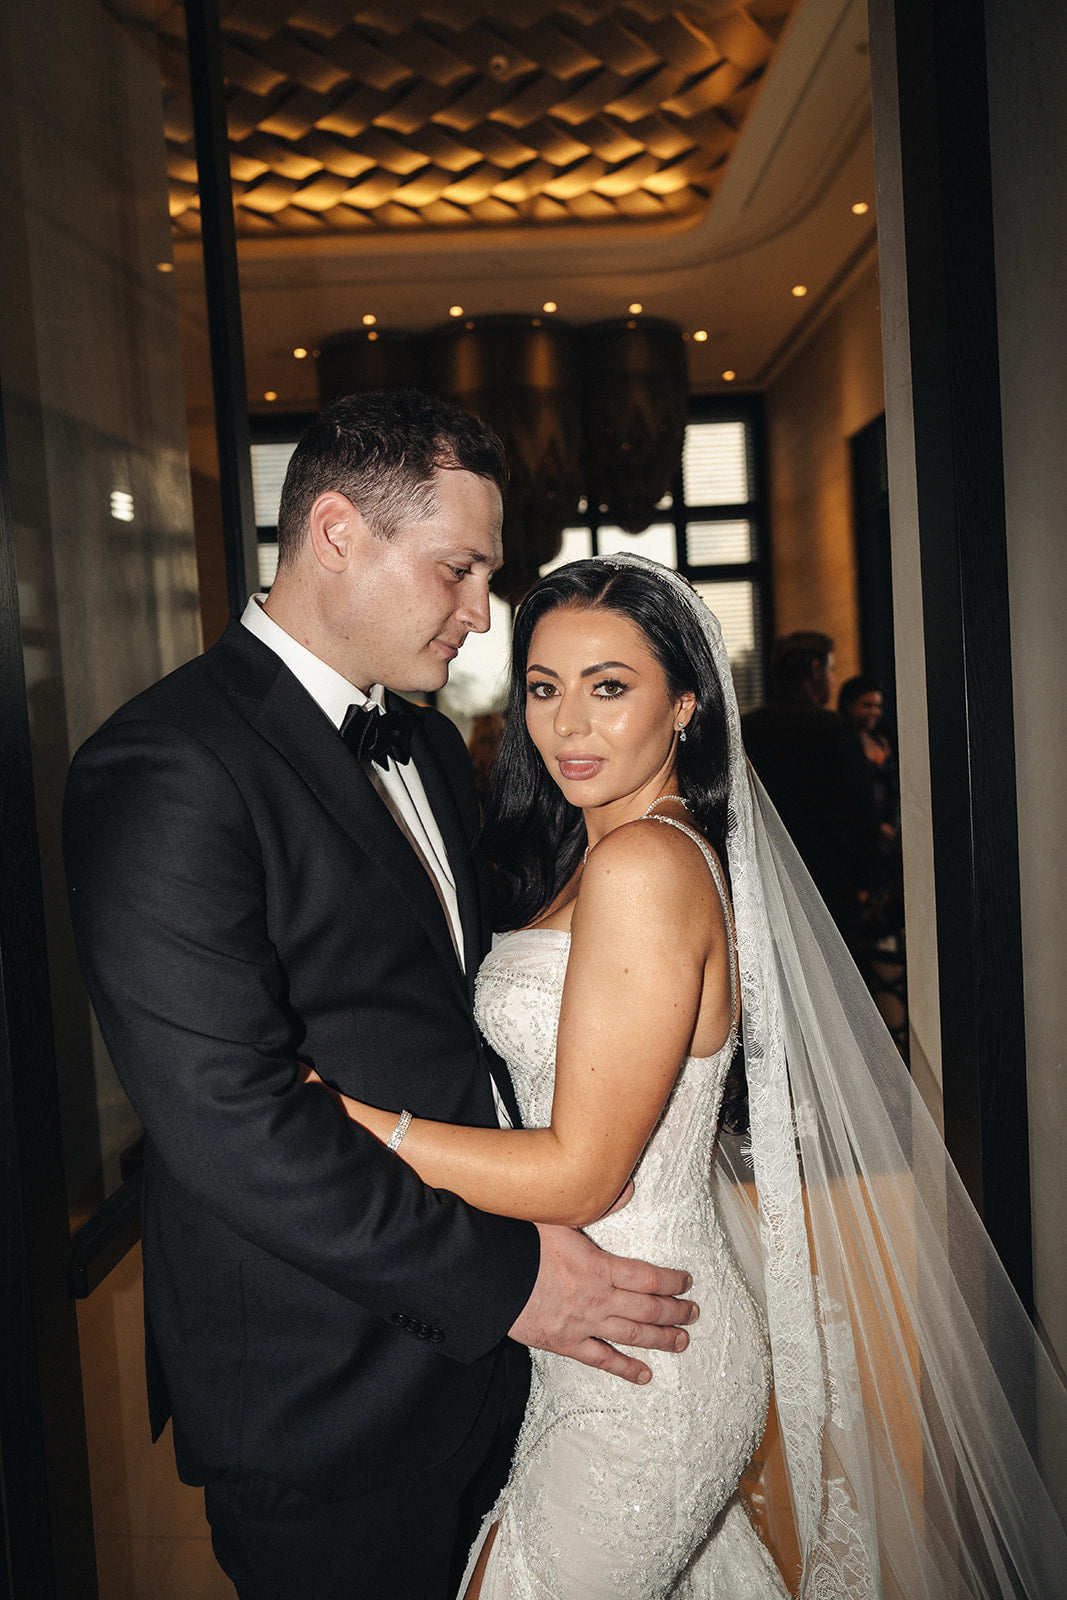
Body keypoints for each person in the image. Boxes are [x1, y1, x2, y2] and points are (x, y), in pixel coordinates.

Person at [313, 555, 1067, 1599]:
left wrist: (347, 1122)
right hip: (608, 1336)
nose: (566, 723)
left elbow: (583, 1173)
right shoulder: (609, 850)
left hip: (639, 1365)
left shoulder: (642, 867)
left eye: (607, 685)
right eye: (543, 686)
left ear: (684, 705)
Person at [61, 393, 696, 1600]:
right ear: (338, 532)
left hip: (498, 1367)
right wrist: (510, 1281)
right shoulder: (163, 766)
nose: (480, 612)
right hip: (328, 1385)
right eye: (458, 568)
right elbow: (233, 1125)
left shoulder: (426, 748)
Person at [741, 632, 880, 950]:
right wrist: (865, 881)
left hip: (768, 877)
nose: (833, 680)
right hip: (828, 878)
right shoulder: (836, 730)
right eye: (831, 670)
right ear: (815, 669)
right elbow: (860, 811)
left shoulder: (748, 728)